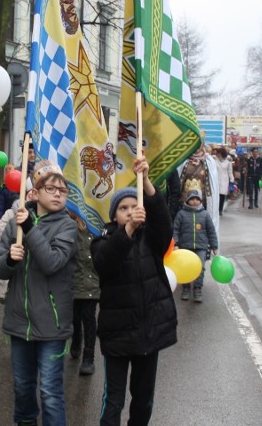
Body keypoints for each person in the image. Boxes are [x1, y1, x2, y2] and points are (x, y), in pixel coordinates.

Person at [91, 156, 177, 426]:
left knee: (143, 399)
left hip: (149, 331)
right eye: (123, 208)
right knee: (113, 399)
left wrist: (148, 183)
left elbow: (163, 221)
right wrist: (127, 231)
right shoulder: (102, 241)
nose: (129, 211)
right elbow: (106, 261)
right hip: (118, 334)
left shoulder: (152, 240)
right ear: (114, 215)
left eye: (133, 206)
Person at [0, 163, 78, 426]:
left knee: (50, 392)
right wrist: (9, 259)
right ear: (35, 192)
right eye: (50, 188)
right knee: (22, 387)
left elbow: (52, 262)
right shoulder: (17, 222)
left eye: (63, 190)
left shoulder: (67, 227)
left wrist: (29, 228)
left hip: (52, 324)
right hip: (19, 322)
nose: (58, 194)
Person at [172, 187, 218, 303]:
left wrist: (214, 246)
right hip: (185, 247)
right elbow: (175, 230)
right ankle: (186, 288)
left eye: (197, 199)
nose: (195, 201)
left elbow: (211, 231)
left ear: (201, 201)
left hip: (201, 246)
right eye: (192, 199)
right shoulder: (181, 214)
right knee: (185, 268)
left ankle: (197, 288)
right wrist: (175, 244)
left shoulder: (205, 214)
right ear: (187, 200)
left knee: (200, 267)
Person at [69, 212, 99, 376]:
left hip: (92, 282)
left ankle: (89, 356)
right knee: (74, 317)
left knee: (89, 318)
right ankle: (76, 338)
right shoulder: (70, 226)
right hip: (74, 280)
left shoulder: (98, 227)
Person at [214, 146, 234, 215]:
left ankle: (220, 210)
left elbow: (230, 172)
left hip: (224, 180)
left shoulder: (228, 162)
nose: (218, 154)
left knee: (222, 195)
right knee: (216, 195)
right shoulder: (214, 160)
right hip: (216, 179)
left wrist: (232, 179)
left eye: (219, 153)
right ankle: (215, 209)